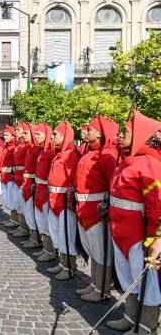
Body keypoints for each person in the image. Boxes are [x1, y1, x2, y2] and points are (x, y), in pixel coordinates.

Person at [106, 110, 161, 333]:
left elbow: (157, 205)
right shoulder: (126, 161)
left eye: (126, 131)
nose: (121, 134)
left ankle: (147, 326)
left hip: (138, 234)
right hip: (120, 230)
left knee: (148, 285)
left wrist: (156, 237)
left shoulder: (149, 163)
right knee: (128, 279)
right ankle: (130, 316)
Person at [73, 115, 119, 302]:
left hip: (96, 210)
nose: (86, 132)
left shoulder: (107, 155)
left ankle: (102, 289)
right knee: (93, 251)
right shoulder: (89, 153)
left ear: (99, 134)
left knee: (101, 252)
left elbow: (113, 184)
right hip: (83, 207)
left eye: (90, 129)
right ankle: (94, 284)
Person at [46, 121, 81, 280]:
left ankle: (69, 267)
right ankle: (62, 263)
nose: (52, 137)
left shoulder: (71, 155)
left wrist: (70, 199)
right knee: (57, 233)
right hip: (54, 198)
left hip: (64, 201)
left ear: (65, 137)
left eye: (55, 134)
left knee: (66, 235)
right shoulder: (59, 152)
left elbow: (73, 179)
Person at [32, 122, 57, 262]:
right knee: (41, 221)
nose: (35, 136)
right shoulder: (40, 150)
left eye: (38, 134)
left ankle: (51, 250)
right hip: (39, 187)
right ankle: (45, 248)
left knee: (48, 224)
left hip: (46, 190)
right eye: (35, 134)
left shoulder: (51, 152)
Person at [20, 123, 41, 249]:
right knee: (28, 212)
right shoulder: (29, 148)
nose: (23, 135)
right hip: (26, 182)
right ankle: (32, 237)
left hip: (33, 184)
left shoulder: (37, 149)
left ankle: (36, 239)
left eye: (26, 133)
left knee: (33, 214)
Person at [9, 122, 28, 237]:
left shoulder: (25, 146)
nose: (15, 132)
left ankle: (24, 229)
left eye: (18, 130)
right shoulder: (18, 145)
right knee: (17, 203)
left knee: (22, 205)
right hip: (16, 176)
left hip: (23, 178)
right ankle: (21, 226)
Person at [0, 125, 17, 226]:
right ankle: (12, 218)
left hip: (10, 176)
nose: (5, 137)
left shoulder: (13, 147)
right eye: (4, 135)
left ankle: (15, 220)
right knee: (6, 199)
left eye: (7, 135)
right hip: (4, 176)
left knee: (12, 200)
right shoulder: (6, 147)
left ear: (12, 136)